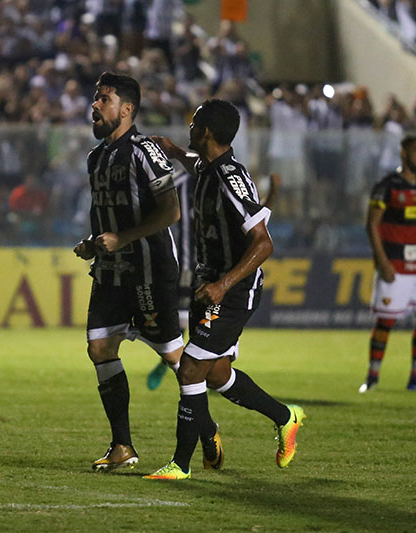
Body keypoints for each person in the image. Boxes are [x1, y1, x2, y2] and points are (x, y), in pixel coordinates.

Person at [142, 99, 304, 480]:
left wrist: (223, 284)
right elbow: (195, 164)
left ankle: (180, 464)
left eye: (194, 123)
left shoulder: (230, 178)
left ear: (206, 133)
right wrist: (174, 150)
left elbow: (264, 243)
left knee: (190, 368)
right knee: (215, 374)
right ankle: (285, 416)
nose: (189, 127)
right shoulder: (209, 166)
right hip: (210, 284)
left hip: (232, 290)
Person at [74, 72, 219, 473]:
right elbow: (106, 218)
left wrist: (122, 238)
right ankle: (122, 445)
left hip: (149, 272)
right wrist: (93, 243)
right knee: (99, 349)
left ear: (127, 109)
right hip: (111, 272)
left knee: (175, 358)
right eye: (95, 98)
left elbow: (170, 211)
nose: (94, 105)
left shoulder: (144, 151)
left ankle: (207, 428)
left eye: (104, 99)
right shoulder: (96, 158)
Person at [145, 171, 280, 391]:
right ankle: (175, 364)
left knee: (209, 346)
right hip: (186, 266)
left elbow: (258, 222)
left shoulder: (228, 182)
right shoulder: (180, 182)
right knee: (180, 324)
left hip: (218, 273)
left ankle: (189, 370)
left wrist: (273, 192)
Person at [359, 136, 416, 393]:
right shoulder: (387, 186)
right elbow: (372, 224)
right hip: (394, 263)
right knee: (386, 322)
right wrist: (382, 261)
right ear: (403, 153)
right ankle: (372, 379)